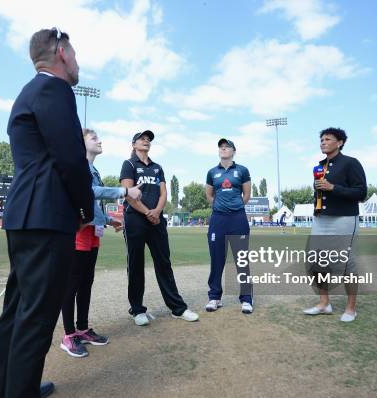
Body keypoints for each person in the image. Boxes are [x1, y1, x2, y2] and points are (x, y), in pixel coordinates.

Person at [0, 27, 94, 398]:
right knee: (35, 319)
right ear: (62, 52)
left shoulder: (29, 91)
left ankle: (9, 390)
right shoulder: (54, 88)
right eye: (76, 53)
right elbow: (71, 157)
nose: (78, 61)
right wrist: (87, 209)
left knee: (17, 313)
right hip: (47, 218)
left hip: (26, 216)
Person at [60, 128, 142, 357]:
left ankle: (83, 328)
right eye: (94, 138)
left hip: (91, 231)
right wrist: (125, 191)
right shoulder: (78, 165)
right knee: (72, 284)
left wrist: (107, 220)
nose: (99, 141)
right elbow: (89, 191)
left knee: (86, 282)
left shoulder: (92, 169)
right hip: (78, 230)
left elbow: (91, 203)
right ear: (81, 143)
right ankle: (68, 335)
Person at [120, 130, 199, 326]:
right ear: (133, 144)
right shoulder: (128, 164)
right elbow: (128, 193)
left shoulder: (157, 167)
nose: (146, 141)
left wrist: (156, 211)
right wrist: (148, 212)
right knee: (136, 265)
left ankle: (177, 308)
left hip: (156, 220)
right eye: (142, 139)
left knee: (164, 263)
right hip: (136, 220)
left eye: (148, 139)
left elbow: (164, 193)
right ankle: (137, 310)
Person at [303, 127, 366, 323]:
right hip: (321, 219)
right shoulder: (320, 166)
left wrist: (333, 187)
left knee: (346, 264)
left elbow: (361, 193)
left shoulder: (351, 163)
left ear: (339, 142)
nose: (323, 142)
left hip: (344, 219)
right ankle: (324, 304)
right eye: (321, 139)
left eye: (328, 139)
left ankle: (351, 308)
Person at [204, 138, 253, 314]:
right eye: (221, 147)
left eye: (227, 147)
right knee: (217, 259)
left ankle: (246, 299)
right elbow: (209, 194)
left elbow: (246, 194)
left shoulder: (242, 170)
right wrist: (218, 206)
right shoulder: (212, 172)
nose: (224, 149)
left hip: (238, 218)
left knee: (241, 259)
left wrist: (236, 207)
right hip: (218, 220)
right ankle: (214, 297)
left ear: (234, 151)